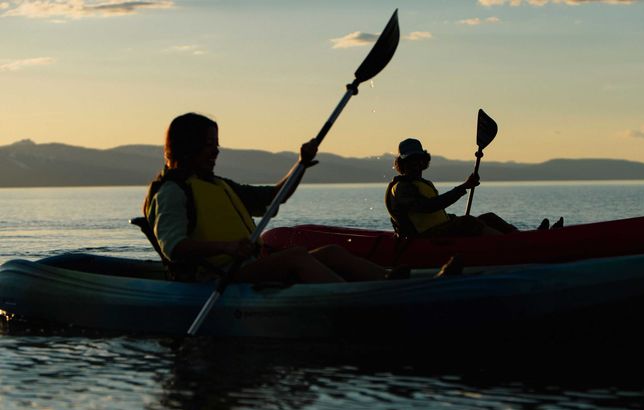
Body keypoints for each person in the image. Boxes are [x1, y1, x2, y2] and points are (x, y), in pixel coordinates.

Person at [143, 112, 411, 284]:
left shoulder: (218, 185)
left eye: (217, 145)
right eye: (209, 145)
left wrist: (301, 164)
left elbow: (274, 197)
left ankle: (390, 281)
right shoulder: (172, 191)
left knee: (331, 252)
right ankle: (357, 301)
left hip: (246, 267)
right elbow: (174, 247)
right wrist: (227, 247)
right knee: (296, 257)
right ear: (188, 147)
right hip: (214, 278)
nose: (216, 152)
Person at [385, 138, 561, 238]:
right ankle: (514, 246)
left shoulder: (423, 183)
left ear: (424, 161)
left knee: (488, 217)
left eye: (418, 160)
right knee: (468, 222)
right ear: (402, 164)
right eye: (410, 161)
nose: (415, 164)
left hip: (439, 229)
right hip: (424, 238)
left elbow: (436, 214)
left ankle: (526, 238)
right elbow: (428, 207)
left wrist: (454, 216)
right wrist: (464, 187)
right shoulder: (401, 188)